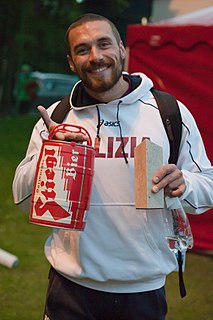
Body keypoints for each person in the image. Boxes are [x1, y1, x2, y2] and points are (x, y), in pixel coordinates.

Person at [12, 13, 213, 320]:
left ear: (122, 49)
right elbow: (23, 202)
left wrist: (185, 182)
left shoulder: (167, 111)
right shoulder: (58, 116)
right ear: (70, 62)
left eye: (103, 44)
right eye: (82, 49)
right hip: (71, 287)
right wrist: (50, 157)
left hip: (143, 291)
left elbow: (207, 187)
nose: (96, 56)